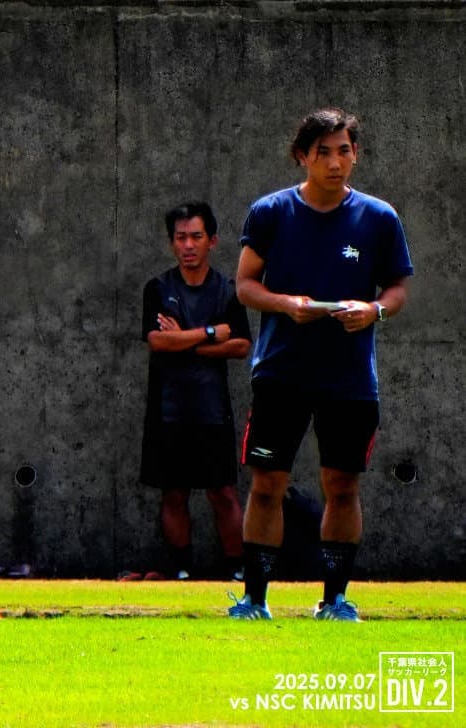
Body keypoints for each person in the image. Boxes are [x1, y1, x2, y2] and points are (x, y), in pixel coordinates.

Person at [230, 108, 412, 621]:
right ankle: (254, 600)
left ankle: (335, 601)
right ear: (302, 156)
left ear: (356, 154)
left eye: (344, 151)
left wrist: (374, 310)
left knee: (342, 486)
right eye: (324, 152)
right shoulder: (270, 212)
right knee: (267, 485)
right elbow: (244, 285)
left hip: (350, 380)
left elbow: (397, 288)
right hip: (281, 374)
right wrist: (286, 304)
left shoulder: (379, 218)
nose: (335, 162)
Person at [140, 202, 250, 581]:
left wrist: (184, 342)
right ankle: (181, 571)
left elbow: (240, 345)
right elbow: (158, 341)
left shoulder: (227, 290)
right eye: (180, 237)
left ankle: (237, 571)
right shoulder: (158, 288)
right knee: (173, 492)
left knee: (223, 493)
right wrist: (208, 333)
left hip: (212, 409)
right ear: (172, 242)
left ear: (212, 241)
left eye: (196, 237)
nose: (188, 245)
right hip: (167, 409)